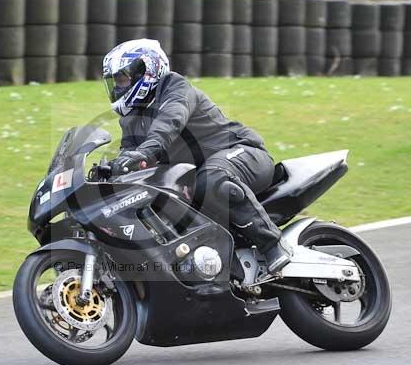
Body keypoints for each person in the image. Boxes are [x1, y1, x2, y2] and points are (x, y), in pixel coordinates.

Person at [103, 39, 292, 274]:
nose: (118, 87)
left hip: (243, 153)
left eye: (122, 79)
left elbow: (169, 123)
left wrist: (145, 151)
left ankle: (273, 245)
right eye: (115, 82)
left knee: (211, 179)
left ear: (146, 69)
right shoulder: (131, 117)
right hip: (197, 178)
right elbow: (129, 153)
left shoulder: (175, 88)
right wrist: (110, 171)